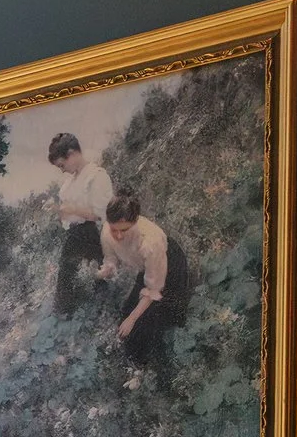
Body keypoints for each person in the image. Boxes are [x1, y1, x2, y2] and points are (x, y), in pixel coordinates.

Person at [96, 190, 192, 377]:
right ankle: (132, 365)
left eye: (124, 230)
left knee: (154, 317)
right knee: (127, 312)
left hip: (169, 264)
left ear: (135, 222)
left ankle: (148, 370)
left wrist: (132, 319)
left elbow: (153, 289)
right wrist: (106, 270)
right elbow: (111, 257)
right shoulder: (108, 230)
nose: (118, 236)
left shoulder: (151, 241)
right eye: (114, 229)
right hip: (147, 269)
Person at [47, 133, 114, 312]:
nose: (62, 170)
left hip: (93, 234)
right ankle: (68, 314)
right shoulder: (69, 183)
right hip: (75, 235)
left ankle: (75, 314)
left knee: (95, 280)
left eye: (62, 165)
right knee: (71, 280)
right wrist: (60, 212)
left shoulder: (96, 176)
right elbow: (70, 215)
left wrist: (72, 210)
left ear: (71, 154)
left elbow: (100, 215)